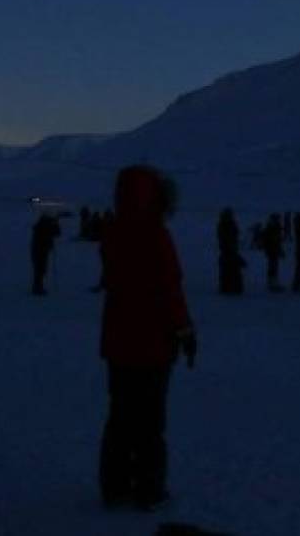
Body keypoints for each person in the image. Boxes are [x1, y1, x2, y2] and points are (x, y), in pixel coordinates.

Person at [99, 166, 196, 510]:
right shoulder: (156, 236)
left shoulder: (112, 233)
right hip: (153, 343)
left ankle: (114, 485)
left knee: (120, 415)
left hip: (117, 339)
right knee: (150, 420)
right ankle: (148, 488)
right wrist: (185, 330)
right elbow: (170, 290)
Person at [216, 207, 245, 295]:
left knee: (233, 269)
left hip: (231, 250)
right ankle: (227, 287)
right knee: (227, 269)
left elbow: (234, 236)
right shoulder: (223, 225)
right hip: (227, 250)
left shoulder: (231, 224)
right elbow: (223, 238)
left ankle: (234, 287)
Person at [30, 213, 60, 295]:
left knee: (41, 270)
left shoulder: (43, 227)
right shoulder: (41, 228)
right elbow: (54, 233)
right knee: (39, 269)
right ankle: (37, 288)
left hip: (42, 251)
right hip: (39, 251)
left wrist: (56, 223)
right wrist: (55, 224)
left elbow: (57, 233)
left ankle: (38, 287)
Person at [262, 213, 284, 292]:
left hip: (274, 250)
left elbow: (278, 241)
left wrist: (280, 250)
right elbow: (268, 241)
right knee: (272, 266)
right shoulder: (270, 228)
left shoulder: (276, 228)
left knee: (274, 266)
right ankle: (272, 283)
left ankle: (273, 283)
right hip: (271, 250)